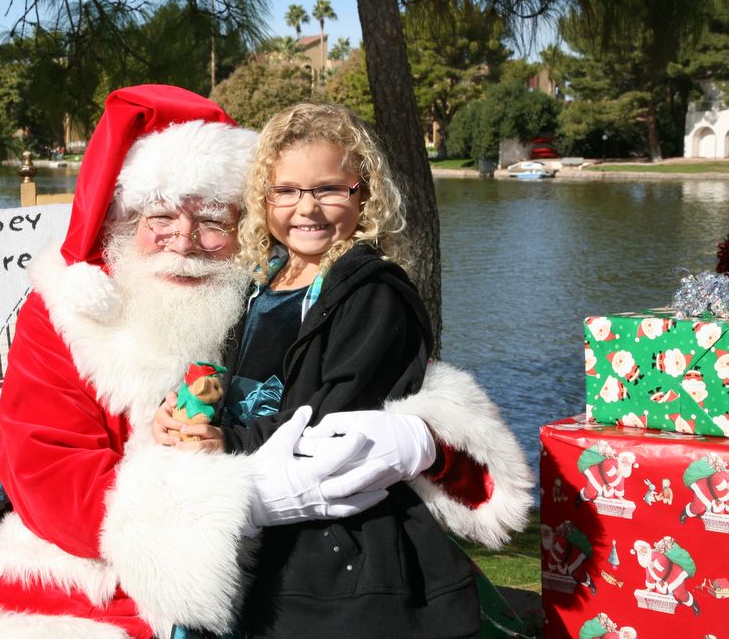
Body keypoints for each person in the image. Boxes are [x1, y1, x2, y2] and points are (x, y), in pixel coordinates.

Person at [0, 86, 399, 639]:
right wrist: (201, 522)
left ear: (244, 228)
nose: (183, 240)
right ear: (124, 222)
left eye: (211, 220)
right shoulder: (66, 311)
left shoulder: (275, 298)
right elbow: (45, 468)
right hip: (100, 567)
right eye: (160, 216)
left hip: (280, 559)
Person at [154, 102, 534, 637]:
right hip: (248, 505)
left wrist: (229, 442)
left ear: (365, 194)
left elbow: (333, 416)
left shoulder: (374, 294)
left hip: (335, 533)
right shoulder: (260, 281)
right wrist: (180, 410)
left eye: (329, 189)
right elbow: (223, 376)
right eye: (286, 190)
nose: (306, 208)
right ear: (265, 199)